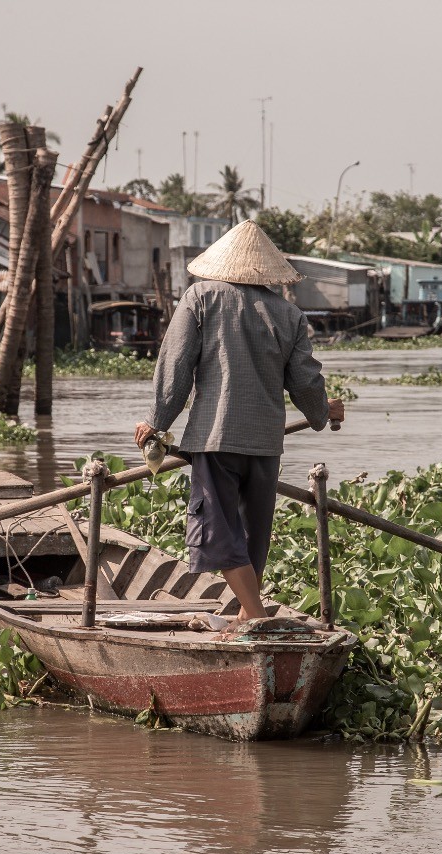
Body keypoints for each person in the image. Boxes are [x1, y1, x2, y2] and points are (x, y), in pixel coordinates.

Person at [134, 219, 344, 633]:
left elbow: (175, 368)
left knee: (215, 530)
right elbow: (305, 381)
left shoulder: (201, 297)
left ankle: (257, 616)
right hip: (266, 444)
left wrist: (156, 423)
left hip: (217, 439)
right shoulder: (289, 315)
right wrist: (323, 414)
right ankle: (247, 613)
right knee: (252, 532)